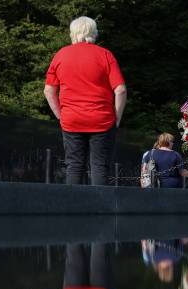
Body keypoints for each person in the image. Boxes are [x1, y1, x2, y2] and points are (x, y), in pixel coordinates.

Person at [44, 16, 127, 186]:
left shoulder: (60, 55)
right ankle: (99, 210)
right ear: (93, 33)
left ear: (73, 33)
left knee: (74, 165)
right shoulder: (105, 54)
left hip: (71, 120)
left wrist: (61, 116)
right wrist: (116, 118)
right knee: (99, 166)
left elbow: (48, 91)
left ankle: (72, 209)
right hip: (102, 120)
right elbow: (121, 90)